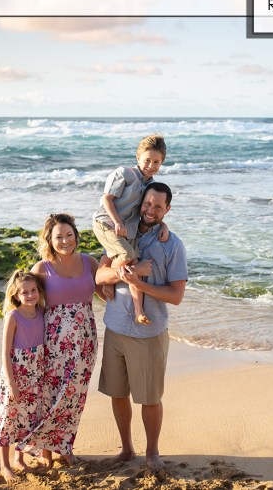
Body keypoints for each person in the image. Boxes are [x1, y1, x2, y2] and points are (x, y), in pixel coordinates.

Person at [96, 182, 187, 471]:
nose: (151, 210)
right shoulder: (122, 232)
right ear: (141, 203)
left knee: (149, 398)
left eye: (158, 206)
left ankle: (152, 452)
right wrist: (129, 275)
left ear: (167, 209)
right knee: (118, 393)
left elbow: (176, 296)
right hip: (115, 327)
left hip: (149, 333)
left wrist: (139, 286)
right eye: (148, 204)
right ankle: (126, 449)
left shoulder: (172, 245)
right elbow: (100, 274)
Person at [28, 213, 108, 467]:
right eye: (59, 237)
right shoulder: (42, 268)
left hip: (86, 341)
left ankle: (65, 446)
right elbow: (27, 305)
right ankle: (44, 452)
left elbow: (105, 294)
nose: (65, 241)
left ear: (76, 235)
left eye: (69, 235)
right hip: (53, 343)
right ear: (49, 240)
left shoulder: (89, 262)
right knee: (51, 395)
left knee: (75, 396)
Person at [92, 134, 169, 326]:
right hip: (107, 224)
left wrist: (164, 225)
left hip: (126, 231)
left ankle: (138, 311)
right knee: (128, 255)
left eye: (156, 162)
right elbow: (106, 199)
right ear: (138, 158)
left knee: (136, 262)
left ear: (162, 162)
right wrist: (117, 221)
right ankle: (108, 280)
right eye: (147, 160)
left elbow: (154, 209)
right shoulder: (123, 174)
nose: (151, 165)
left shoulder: (150, 185)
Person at [0, 270, 47, 480]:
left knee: (28, 419)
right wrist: (12, 383)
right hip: (15, 375)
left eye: (34, 290)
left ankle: (19, 458)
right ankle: (4, 465)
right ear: (16, 295)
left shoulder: (41, 312)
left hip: (35, 374)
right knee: (8, 418)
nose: (30, 295)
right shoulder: (13, 316)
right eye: (25, 292)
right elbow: (5, 352)